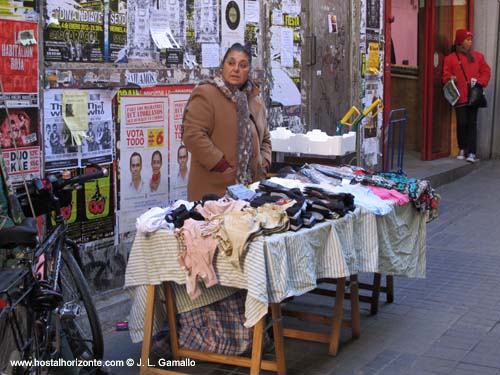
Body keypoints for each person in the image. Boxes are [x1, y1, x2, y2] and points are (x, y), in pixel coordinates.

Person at [182, 43, 272, 201]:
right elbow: (193, 135)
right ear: (222, 67)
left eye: (242, 65)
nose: (236, 69)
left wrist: (263, 162)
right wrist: (220, 164)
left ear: (248, 70)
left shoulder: (256, 101)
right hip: (214, 189)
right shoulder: (206, 94)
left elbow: (265, 137)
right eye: (231, 63)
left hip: (250, 190)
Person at [442, 29, 491, 163]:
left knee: (472, 123)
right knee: (462, 123)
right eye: (467, 39)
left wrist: (480, 82)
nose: (470, 42)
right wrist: (450, 78)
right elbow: (445, 76)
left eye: (471, 39)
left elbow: (486, 71)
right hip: (459, 95)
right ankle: (462, 149)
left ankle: (472, 153)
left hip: (473, 95)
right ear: (460, 41)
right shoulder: (450, 58)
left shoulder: (478, 57)